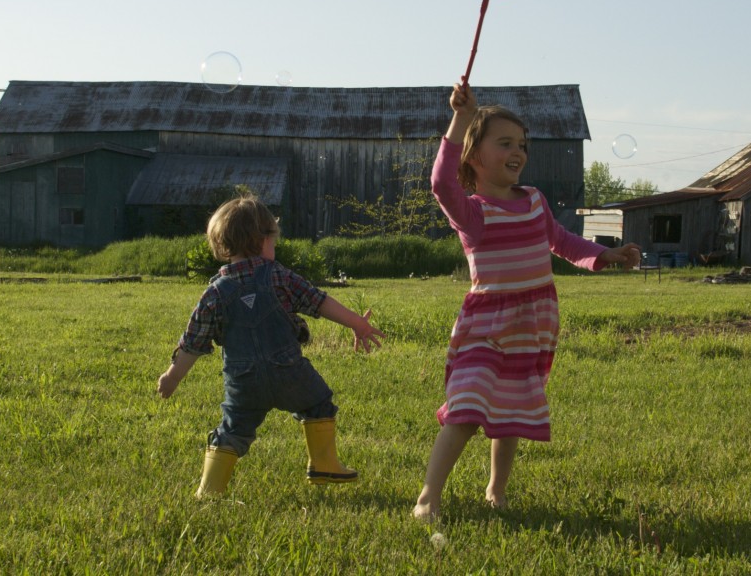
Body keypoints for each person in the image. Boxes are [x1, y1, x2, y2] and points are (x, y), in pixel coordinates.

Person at [412, 84, 640, 520]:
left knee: (511, 407)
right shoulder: (474, 214)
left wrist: (602, 254)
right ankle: (428, 497)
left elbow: (562, 241)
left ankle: (496, 491)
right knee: (466, 408)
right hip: (486, 325)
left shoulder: (534, 200)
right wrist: (461, 118)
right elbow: (440, 183)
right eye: (504, 143)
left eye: (522, 145)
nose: (518, 151)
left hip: (531, 323)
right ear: (474, 156)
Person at [158, 194, 384, 497]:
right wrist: (357, 323)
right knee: (318, 404)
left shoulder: (214, 293)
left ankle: (209, 491)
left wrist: (172, 377)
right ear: (262, 239)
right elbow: (318, 301)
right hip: (289, 371)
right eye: (274, 242)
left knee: (233, 430)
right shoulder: (279, 276)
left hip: (243, 381)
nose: (274, 248)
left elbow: (193, 342)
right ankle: (323, 463)